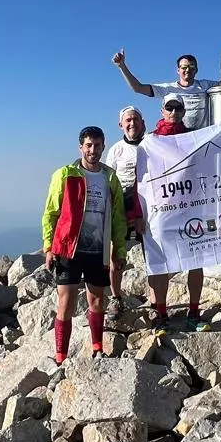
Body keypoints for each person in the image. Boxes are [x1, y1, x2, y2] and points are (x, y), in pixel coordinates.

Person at [41, 126, 126, 365]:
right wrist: (49, 246)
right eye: (88, 145)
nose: (93, 150)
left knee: (97, 301)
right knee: (65, 303)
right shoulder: (65, 174)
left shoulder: (110, 178)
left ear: (103, 147)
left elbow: (118, 218)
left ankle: (97, 348)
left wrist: (119, 250)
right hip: (68, 248)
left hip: (97, 251)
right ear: (81, 147)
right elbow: (51, 212)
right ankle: (61, 356)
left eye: (97, 145)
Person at [144, 99, 208, 333]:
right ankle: (161, 314)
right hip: (162, 210)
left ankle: (194, 311)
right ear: (162, 111)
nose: (173, 112)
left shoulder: (193, 137)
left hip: (191, 207)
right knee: (161, 262)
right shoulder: (150, 141)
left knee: (196, 261)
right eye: (169, 108)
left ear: (184, 111)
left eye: (178, 108)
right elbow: (143, 178)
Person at [113, 49, 221, 131]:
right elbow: (138, 88)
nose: (187, 70)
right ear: (177, 70)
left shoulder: (206, 85)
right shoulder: (168, 89)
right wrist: (122, 67)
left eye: (191, 67)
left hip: (202, 138)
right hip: (177, 138)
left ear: (196, 70)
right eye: (183, 67)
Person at [100, 106, 146, 324]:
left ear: (142, 122)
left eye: (135, 119)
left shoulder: (152, 144)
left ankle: (157, 303)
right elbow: (107, 180)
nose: (132, 123)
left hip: (148, 204)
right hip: (122, 203)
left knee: (153, 253)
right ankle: (116, 297)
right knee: (117, 254)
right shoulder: (116, 150)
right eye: (128, 120)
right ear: (120, 125)